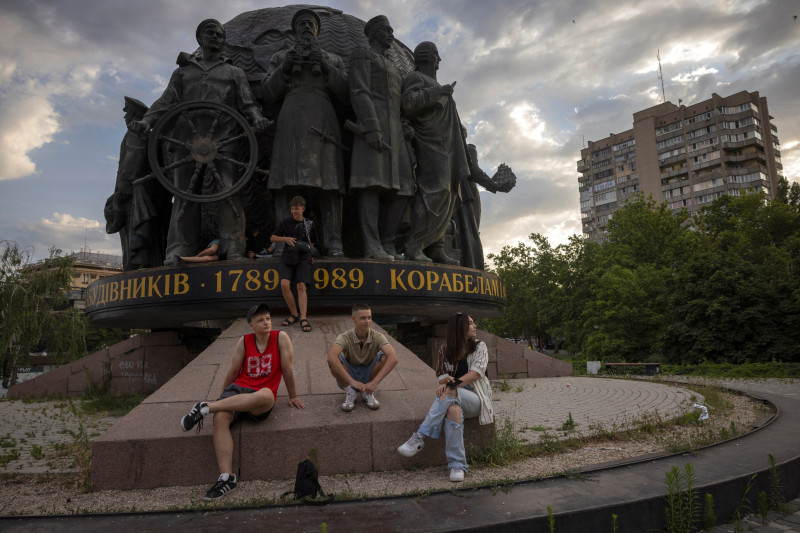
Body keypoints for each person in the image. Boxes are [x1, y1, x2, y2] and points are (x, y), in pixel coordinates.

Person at [129, 19, 270, 265]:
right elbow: (166, 102)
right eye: (210, 33)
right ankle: (178, 249)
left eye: (219, 34)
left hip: (224, 140)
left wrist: (257, 118)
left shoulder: (234, 73)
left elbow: (248, 104)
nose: (215, 37)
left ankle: (234, 247)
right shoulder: (183, 72)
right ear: (200, 39)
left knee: (229, 194)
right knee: (184, 197)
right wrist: (147, 121)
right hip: (185, 142)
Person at [179, 303, 305, 500]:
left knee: (267, 396)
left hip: (260, 395)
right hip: (239, 389)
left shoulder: (280, 337)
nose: (266, 322)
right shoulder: (244, 341)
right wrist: (222, 397)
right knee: (221, 418)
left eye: (268, 319)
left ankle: (206, 408)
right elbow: (233, 371)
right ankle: (226, 478)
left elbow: (287, 369)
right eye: (260, 320)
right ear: (251, 325)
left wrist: (293, 396)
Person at [262, 8, 348, 258]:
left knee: (331, 183)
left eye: (311, 24)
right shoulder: (281, 57)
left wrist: (327, 67)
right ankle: (282, 243)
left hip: (323, 116)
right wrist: (285, 68)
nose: (307, 27)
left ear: (318, 31)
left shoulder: (333, 59)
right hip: (291, 117)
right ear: (294, 30)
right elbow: (267, 93)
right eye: (302, 24)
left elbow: (345, 94)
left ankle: (335, 244)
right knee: (284, 182)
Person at [397, 312, 493, 482]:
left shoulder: (480, 346)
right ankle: (457, 465)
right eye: (471, 323)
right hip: (454, 397)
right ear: (461, 327)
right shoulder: (445, 349)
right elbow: (441, 376)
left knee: (449, 391)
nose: (475, 326)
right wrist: (445, 382)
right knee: (452, 410)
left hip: (476, 399)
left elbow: (475, 373)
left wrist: (452, 385)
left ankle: (420, 436)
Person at [348, 15, 414, 260]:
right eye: (387, 30)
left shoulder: (394, 68)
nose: (391, 34)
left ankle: (388, 242)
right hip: (372, 127)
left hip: (397, 133)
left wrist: (405, 127)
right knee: (371, 185)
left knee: (405, 188)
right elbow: (359, 90)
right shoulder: (362, 55)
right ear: (374, 33)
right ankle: (371, 245)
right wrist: (371, 127)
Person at [401, 41, 470, 264]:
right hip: (430, 141)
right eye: (435, 54)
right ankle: (414, 245)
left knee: (449, 193)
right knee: (434, 190)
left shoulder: (438, 84)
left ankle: (436, 246)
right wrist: (438, 92)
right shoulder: (416, 78)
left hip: (448, 144)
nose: (438, 59)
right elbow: (408, 103)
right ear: (425, 56)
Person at [327, 302, 398, 411]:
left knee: (385, 356)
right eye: (363, 318)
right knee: (333, 360)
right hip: (349, 375)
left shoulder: (377, 336)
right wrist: (351, 381)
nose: (367, 321)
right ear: (353, 319)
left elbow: (393, 358)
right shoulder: (345, 337)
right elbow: (331, 357)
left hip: (369, 374)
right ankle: (350, 392)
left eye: (369, 317)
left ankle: (368, 392)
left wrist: (375, 383)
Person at [271, 196, 318, 333]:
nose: (293, 211)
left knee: (301, 286)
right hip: (289, 256)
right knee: (284, 284)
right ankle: (294, 314)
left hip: (303, 257)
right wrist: (285, 239)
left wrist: (309, 254)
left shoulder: (310, 224)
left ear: (303, 209)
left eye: (296, 209)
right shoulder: (285, 222)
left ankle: (303, 318)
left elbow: (313, 243)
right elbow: (273, 237)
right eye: (292, 209)